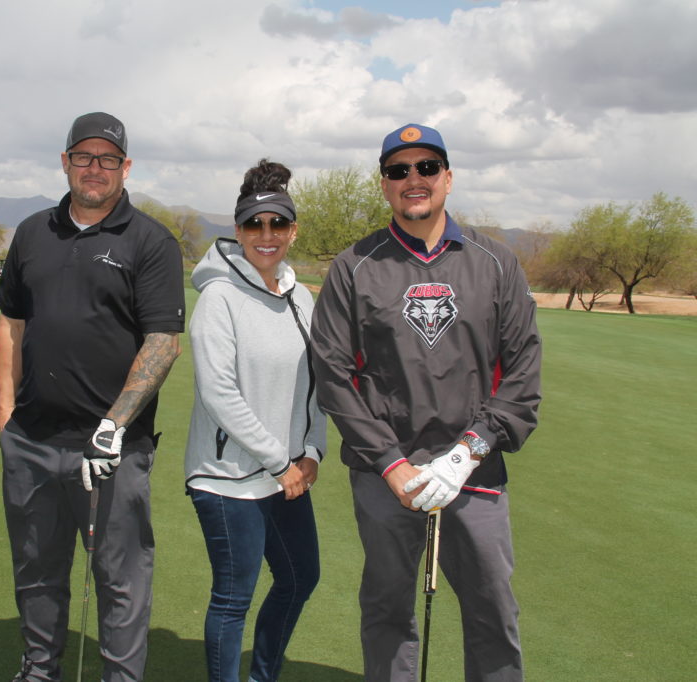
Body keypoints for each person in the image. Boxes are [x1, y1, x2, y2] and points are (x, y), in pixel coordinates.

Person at [310, 123, 542, 682]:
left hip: (475, 471)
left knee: (493, 611)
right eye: (398, 170)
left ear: (448, 177)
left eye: (427, 167)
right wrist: (390, 464)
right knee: (387, 609)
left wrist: (466, 454)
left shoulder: (496, 262)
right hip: (388, 474)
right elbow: (333, 375)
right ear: (384, 184)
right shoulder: (354, 266)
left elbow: (522, 374)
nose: (413, 179)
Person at [0, 112, 185, 681]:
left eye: (107, 159)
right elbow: (11, 326)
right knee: (36, 572)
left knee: (120, 581)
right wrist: (6, 416)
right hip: (32, 442)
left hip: (112, 451)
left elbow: (163, 341)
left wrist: (113, 425)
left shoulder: (150, 240)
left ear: (125, 167)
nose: (94, 168)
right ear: (65, 162)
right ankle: (39, 671)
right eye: (83, 156)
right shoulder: (33, 232)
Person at [184, 159, 325, 682]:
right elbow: (219, 393)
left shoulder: (301, 296)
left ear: (293, 230)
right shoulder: (218, 297)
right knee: (233, 596)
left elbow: (317, 383)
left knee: (299, 577)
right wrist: (279, 461)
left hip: (286, 474)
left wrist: (312, 451)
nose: (267, 235)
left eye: (278, 224)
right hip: (228, 479)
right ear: (238, 231)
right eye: (255, 225)